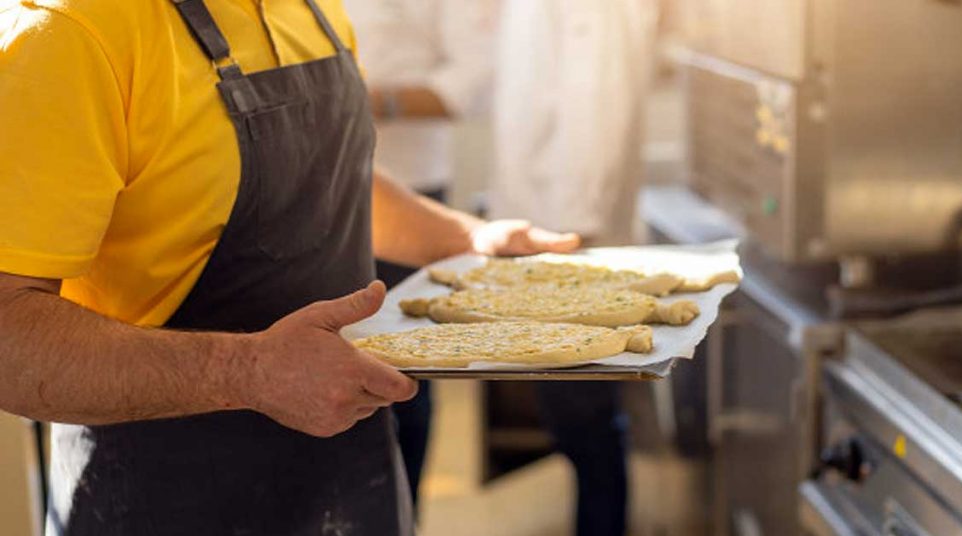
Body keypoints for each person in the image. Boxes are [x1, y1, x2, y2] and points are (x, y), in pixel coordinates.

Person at [0, 1, 578, 535]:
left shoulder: (310, 8)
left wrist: (467, 241)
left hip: (353, 484)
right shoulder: (70, 34)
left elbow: (322, 177)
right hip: (166, 499)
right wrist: (246, 372)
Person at [490, 1, 662, 535]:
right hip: (547, 229)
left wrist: (572, 233)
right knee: (573, 416)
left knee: (584, 420)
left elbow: (598, 106)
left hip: (567, 241)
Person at [345, 0, 499, 509]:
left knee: (400, 376)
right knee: (327, 367)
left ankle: (403, 514)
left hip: (410, 189)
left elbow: (474, 80)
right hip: (315, 189)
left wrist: (370, 103)